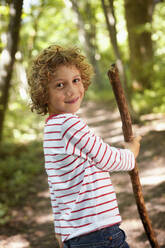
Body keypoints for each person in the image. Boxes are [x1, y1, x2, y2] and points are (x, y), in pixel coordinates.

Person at [28, 44, 141, 248]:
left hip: (77, 236)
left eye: (75, 80)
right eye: (60, 85)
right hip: (99, 232)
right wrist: (130, 153)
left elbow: (56, 188)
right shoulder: (69, 124)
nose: (72, 90)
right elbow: (105, 158)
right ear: (44, 94)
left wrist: (61, 231)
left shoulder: (51, 129)